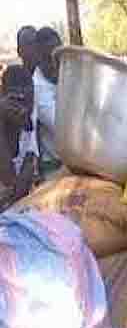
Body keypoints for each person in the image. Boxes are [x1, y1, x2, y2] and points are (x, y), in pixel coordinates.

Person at [0, 65, 38, 207]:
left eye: (29, 102)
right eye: (17, 100)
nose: (23, 110)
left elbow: (20, 189)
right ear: (3, 96)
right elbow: (8, 179)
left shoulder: (28, 122)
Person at [32, 27, 62, 179]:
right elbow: (61, 126)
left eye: (57, 58)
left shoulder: (65, 75)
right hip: (55, 170)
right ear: (38, 57)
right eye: (47, 58)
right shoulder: (37, 87)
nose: (54, 64)